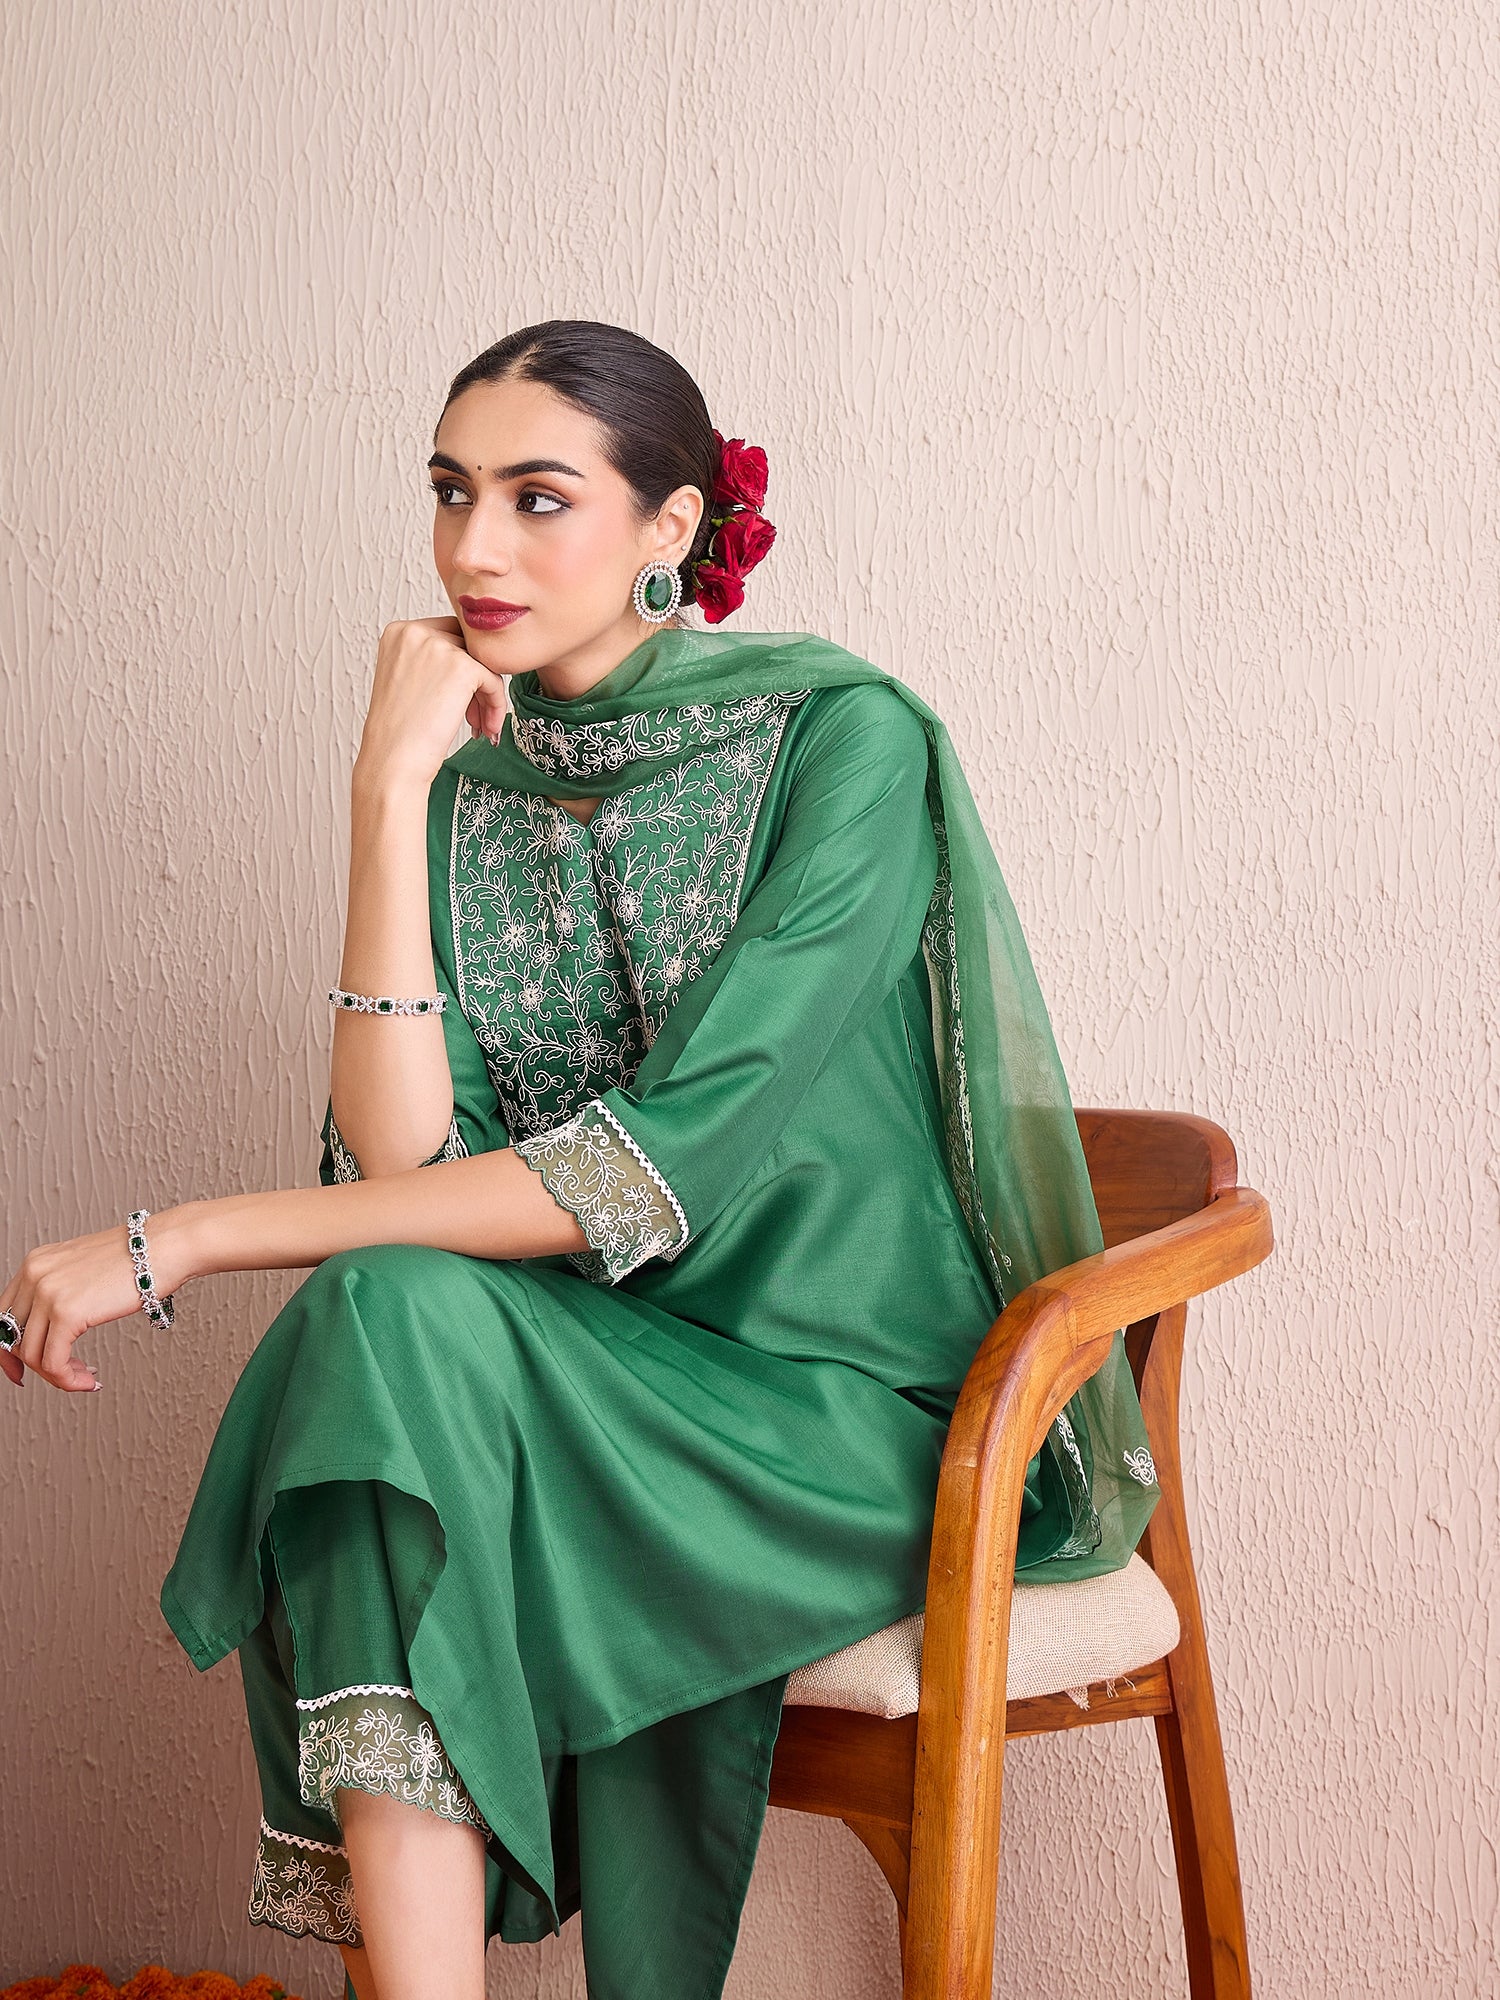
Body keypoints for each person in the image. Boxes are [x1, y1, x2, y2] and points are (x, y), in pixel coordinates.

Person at [0, 319, 1160, 2000]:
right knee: (387, 1307)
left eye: (538, 499)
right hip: (573, 1380)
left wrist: (176, 1238)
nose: (475, 548)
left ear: (671, 525)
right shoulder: (465, 773)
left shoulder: (846, 744)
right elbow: (402, 1164)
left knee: (382, 1321)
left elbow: (654, 1170)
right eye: (450, 492)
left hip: (833, 1420)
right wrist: (387, 788)